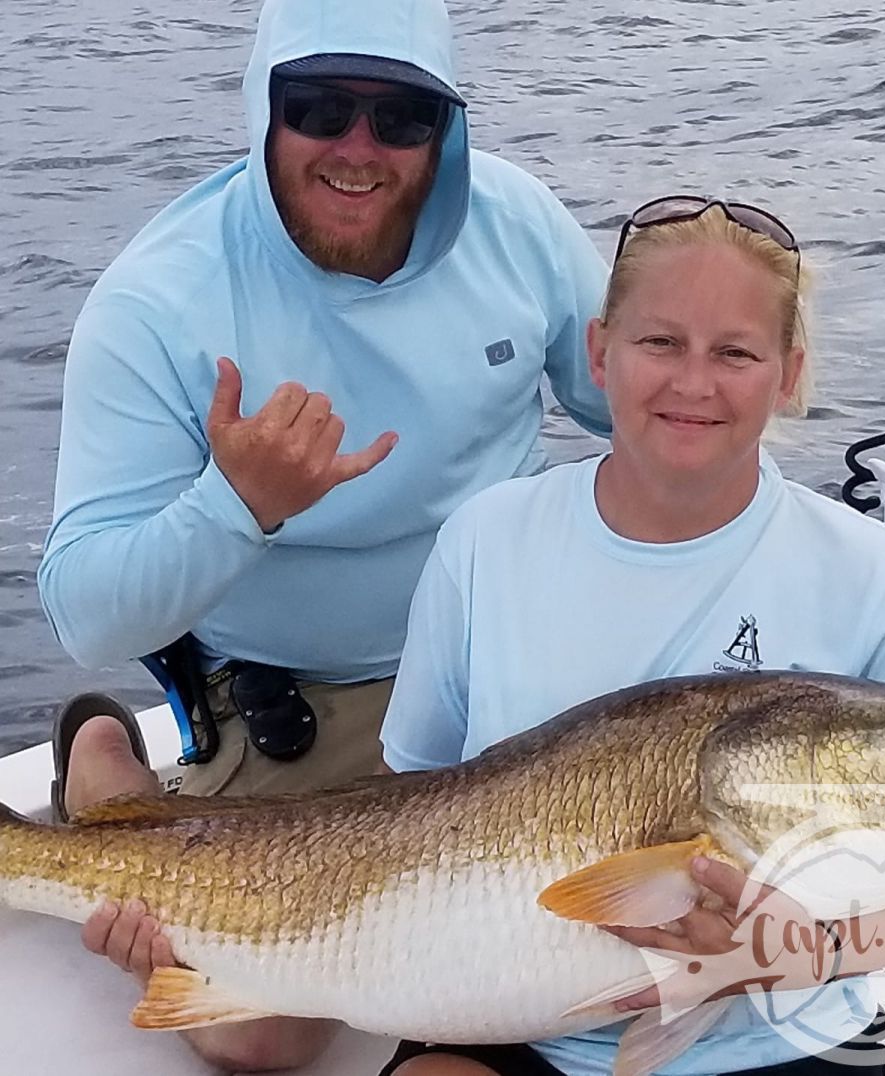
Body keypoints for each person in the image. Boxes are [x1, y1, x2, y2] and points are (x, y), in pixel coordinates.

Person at [36, 0, 609, 1068]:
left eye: (401, 117)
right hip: (311, 698)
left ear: (446, 131)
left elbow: (653, 407)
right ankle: (106, 772)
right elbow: (85, 610)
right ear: (265, 109)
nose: (358, 147)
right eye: (320, 106)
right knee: (264, 1029)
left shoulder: (523, 229)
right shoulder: (157, 299)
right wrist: (236, 503)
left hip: (518, 676)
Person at [375, 196, 885, 1075]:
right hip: (514, 1016)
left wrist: (784, 955)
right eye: (660, 343)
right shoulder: (485, 539)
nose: (694, 382)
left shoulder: (875, 580)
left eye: (734, 352)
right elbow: (416, 794)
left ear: (787, 374)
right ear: (598, 353)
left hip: (777, 1040)